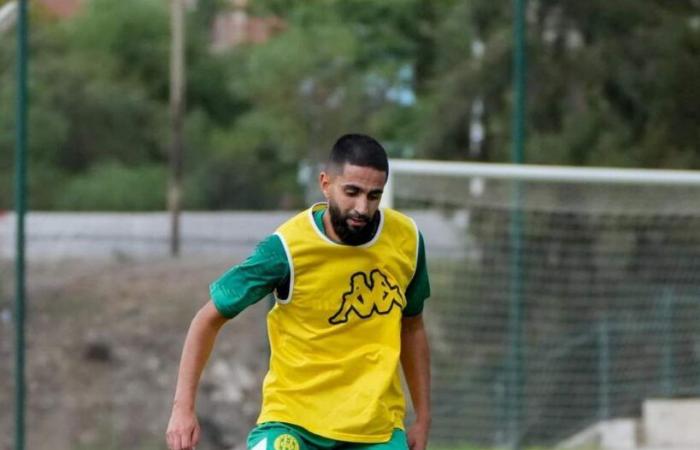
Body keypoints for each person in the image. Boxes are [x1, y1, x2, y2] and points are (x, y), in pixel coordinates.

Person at [166, 133, 432, 450]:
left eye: (374, 196)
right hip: (294, 426)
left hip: (377, 432)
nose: (362, 207)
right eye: (352, 192)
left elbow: (412, 326)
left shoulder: (407, 240)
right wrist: (183, 409)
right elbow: (206, 319)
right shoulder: (286, 249)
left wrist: (423, 417)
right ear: (325, 183)